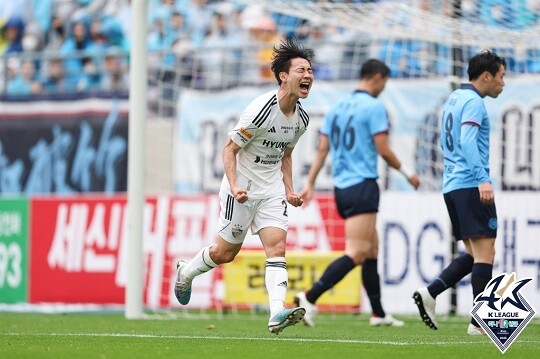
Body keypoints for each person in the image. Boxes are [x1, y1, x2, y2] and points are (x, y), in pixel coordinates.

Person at [174, 37, 315, 334]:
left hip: (272, 189)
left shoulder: (301, 119)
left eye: (310, 71)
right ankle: (186, 272)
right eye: (301, 70)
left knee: (277, 247)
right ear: (283, 76)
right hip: (243, 188)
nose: (308, 76)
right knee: (226, 253)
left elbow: (286, 154)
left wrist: (289, 189)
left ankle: (277, 312)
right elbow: (229, 149)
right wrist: (236, 186)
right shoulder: (261, 110)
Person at [295, 59, 420, 327]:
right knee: (357, 252)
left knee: (372, 249)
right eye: (384, 82)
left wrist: (310, 183)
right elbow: (383, 150)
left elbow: (322, 150)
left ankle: (378, 313)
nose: (383, 88)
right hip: (362, 184)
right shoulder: (374, 107)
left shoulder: (337, 107)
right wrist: (408, 173)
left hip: (342, 186)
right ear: (377, 77)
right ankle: (309, 297)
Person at [413, 49, 506, 336]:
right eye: (502, 77)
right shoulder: (475, 102)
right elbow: (466, 141)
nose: (503, 83)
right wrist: (482, 179)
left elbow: (446, 142)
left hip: (452, 185)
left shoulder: (453, 99)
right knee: (486, 251)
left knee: (473, 253)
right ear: (487, 76)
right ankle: (479, 323)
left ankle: (431, 293)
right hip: (470, 184)